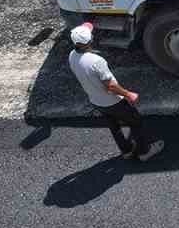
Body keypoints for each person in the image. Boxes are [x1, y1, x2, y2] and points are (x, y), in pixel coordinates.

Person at [67, 23, 163, 161]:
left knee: (114, 126)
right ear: (89, 41)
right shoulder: (96, 61)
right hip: (114, 101)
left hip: (96, 101)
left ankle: (127, 151)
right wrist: (128, 94)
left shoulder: (72, 56)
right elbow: (110, 86)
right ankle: (144, 152)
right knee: (135, 122)